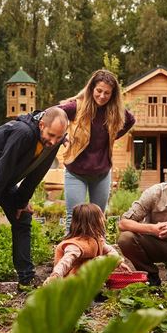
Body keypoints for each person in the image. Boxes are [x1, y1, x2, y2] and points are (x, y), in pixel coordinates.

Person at [0, 108, 69, 289]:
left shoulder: (53, 142)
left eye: (59, 137)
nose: (53, 141)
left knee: (22, 217)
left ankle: (26, 279)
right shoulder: (22, 132)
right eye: (51, 135)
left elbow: (36, 174)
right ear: (41, 125)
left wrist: (22, 201)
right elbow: (5, 165)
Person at [58, 69, 135, 233]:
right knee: (74, 217)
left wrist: (112, 136)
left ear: (113, 95)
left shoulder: (115, 110)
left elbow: (130, 120)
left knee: (99, 218)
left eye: (107, 93)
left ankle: (99, 256)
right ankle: (68, 256)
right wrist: (62, 138)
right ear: (91, 88)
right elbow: (53, 114)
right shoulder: (77, 107)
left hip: (102, 173)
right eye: (99, 91)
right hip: (75, 172)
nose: (102, 96)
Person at [44, 203, 129, 284]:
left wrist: (119, 262)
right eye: (100, 216)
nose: (104, 219)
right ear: (92, 222)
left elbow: (110, 251)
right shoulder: (76, 244)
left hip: (85, 278)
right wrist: (55, 275)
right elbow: (66, 261)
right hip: (70, 281)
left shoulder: (96, 238)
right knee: (99, 260)